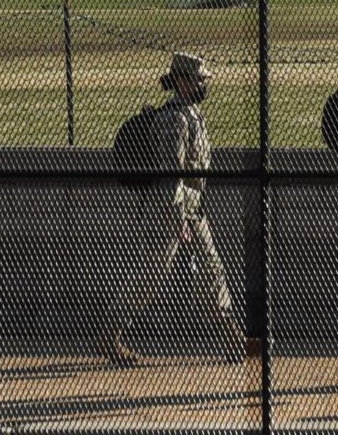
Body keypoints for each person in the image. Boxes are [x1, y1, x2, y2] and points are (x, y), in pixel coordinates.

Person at [104, 54, 243, 365]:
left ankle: (232, 337)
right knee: (149, 276)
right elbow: (171, 174)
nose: (204, 84)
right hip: (167, 210)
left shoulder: (192, 114)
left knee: (212, 270)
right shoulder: (174, 120)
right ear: (182, 82)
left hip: (193, 207)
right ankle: (109, 334)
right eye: (199, 80)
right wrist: (178, 218)